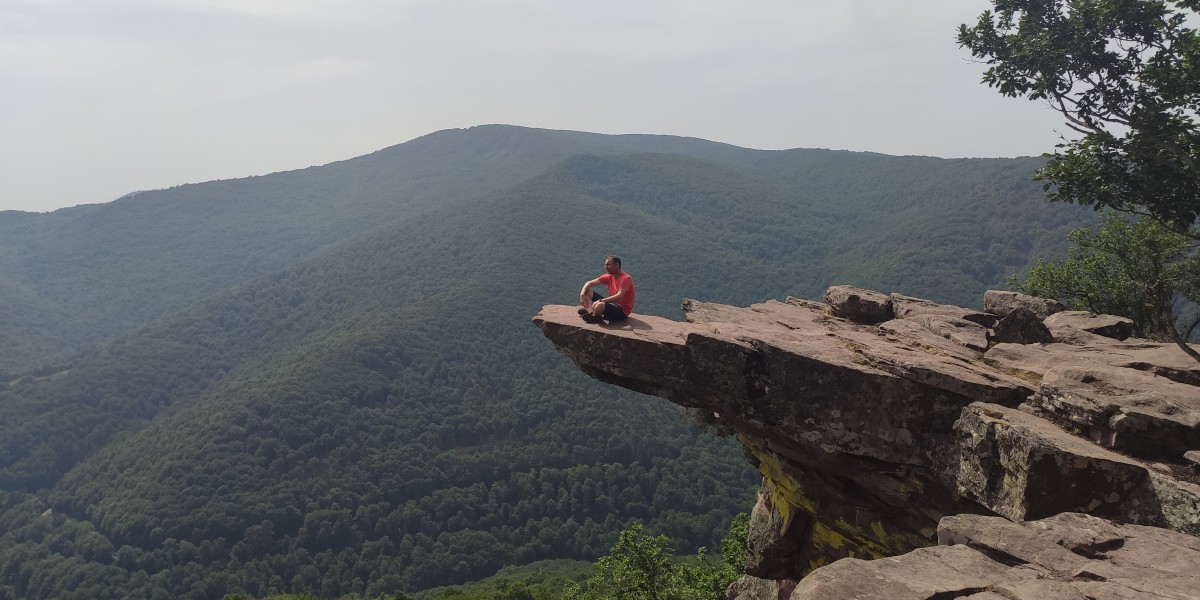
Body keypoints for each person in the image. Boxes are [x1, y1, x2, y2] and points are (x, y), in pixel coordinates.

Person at [578, 255, 636, 324]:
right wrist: (582, 294)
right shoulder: (610, 277)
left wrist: (600, 301)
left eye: (608, 265)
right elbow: (589, 283)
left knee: (599, 305)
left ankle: (596, 315)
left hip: (622, 311)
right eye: (605, 265)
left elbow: (619, 297)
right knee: (587, 292)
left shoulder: (625, 278)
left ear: (616, 265)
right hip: (612, 304)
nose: (605, 267)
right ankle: (592, 313)